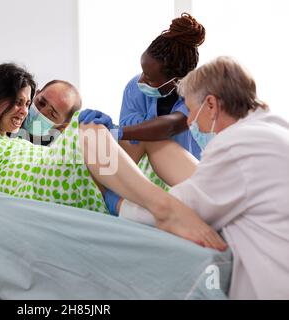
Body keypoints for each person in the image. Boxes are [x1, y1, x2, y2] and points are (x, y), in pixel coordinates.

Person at [0, 62, 226, 251]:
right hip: (35, 194)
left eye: (26, 103)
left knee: (142, 138)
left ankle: (217, 195)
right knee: (90, 128)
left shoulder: (32, 144)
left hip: (68, 186)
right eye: (19, 102)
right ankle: (166, 209)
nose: (24, 111)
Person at [81, 56, 289, 299]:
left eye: (190, 110)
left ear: (211, 105)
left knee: (109, 139)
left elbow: (171, 211)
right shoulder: (274, 131)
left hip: (274, 285)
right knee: (99, 135)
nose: (189, 121)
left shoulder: (236, 147)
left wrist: (116, 203)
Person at [119, 13, 205, 162]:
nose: (141, 80)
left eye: (150, 79)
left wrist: (116, 132)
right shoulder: (134, 89)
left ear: (176, 80)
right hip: (145, 173)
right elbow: (130, 143)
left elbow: (171, 126)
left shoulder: (199, 96)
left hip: (188, 174)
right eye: (143, 72)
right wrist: (105, 130)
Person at [14, 80, 82, 146]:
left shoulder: (55, 153)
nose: (41, 112)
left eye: (52, 114)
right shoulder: (8, 117)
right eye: (41, 103)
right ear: (36, 94)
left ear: (63, 126)